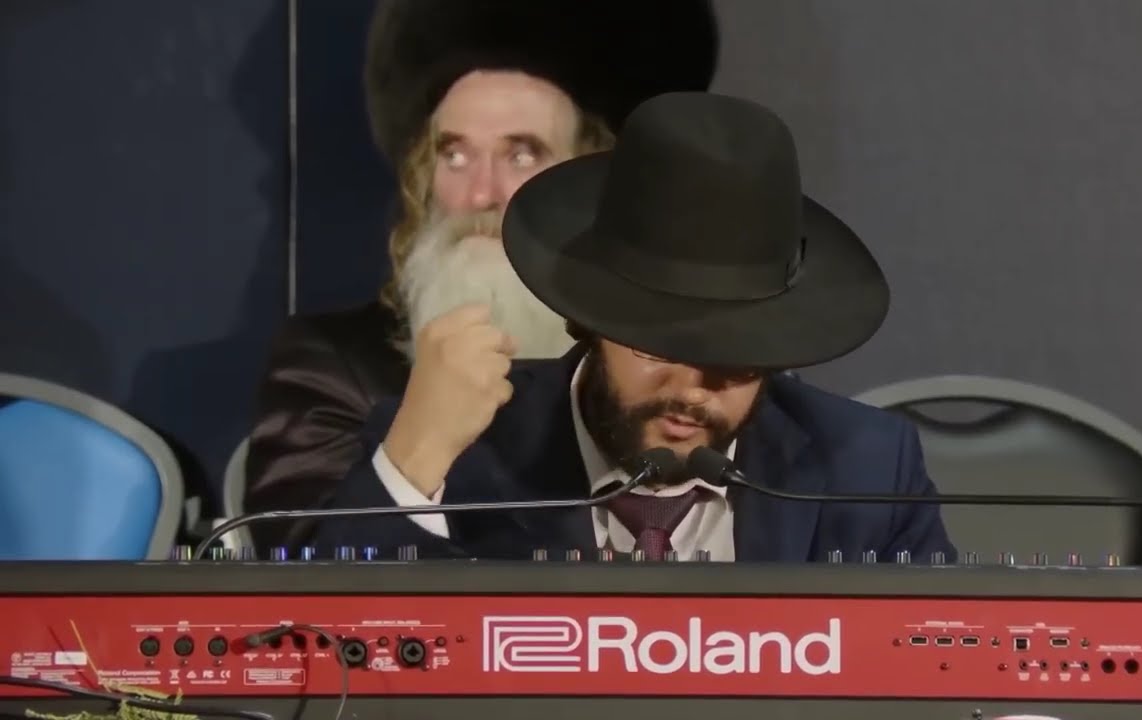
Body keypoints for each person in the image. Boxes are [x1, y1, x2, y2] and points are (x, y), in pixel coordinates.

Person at [309, 92, 956, 562]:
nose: (692, 389)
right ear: (587, 320)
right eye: (660, 346)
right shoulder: (466, 449)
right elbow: (329, 650)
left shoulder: (867, 468)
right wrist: (413, 460)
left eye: (736, 359)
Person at [243, 0, 719, 551]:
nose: (480, 195)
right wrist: (415, 447)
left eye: (522, 155)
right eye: (455, 155)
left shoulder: (677, 368)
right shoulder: (332, 367)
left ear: (595, 180)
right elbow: (300, 574)